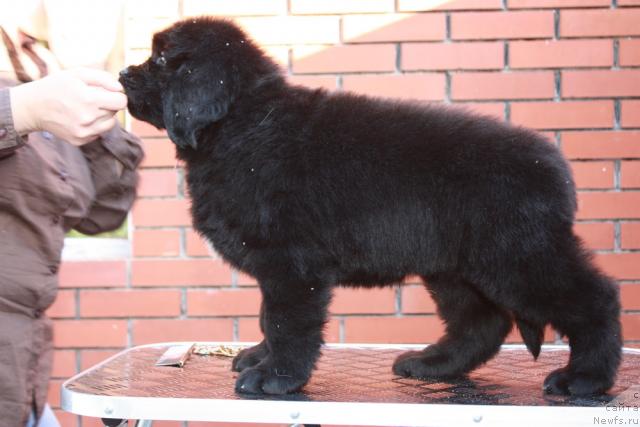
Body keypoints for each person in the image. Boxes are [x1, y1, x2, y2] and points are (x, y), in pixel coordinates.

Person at [0, 2, 142, 426]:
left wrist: (89, 83)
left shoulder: (36, 65)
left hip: (18, 371)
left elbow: (103, 212)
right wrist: (22, 111)